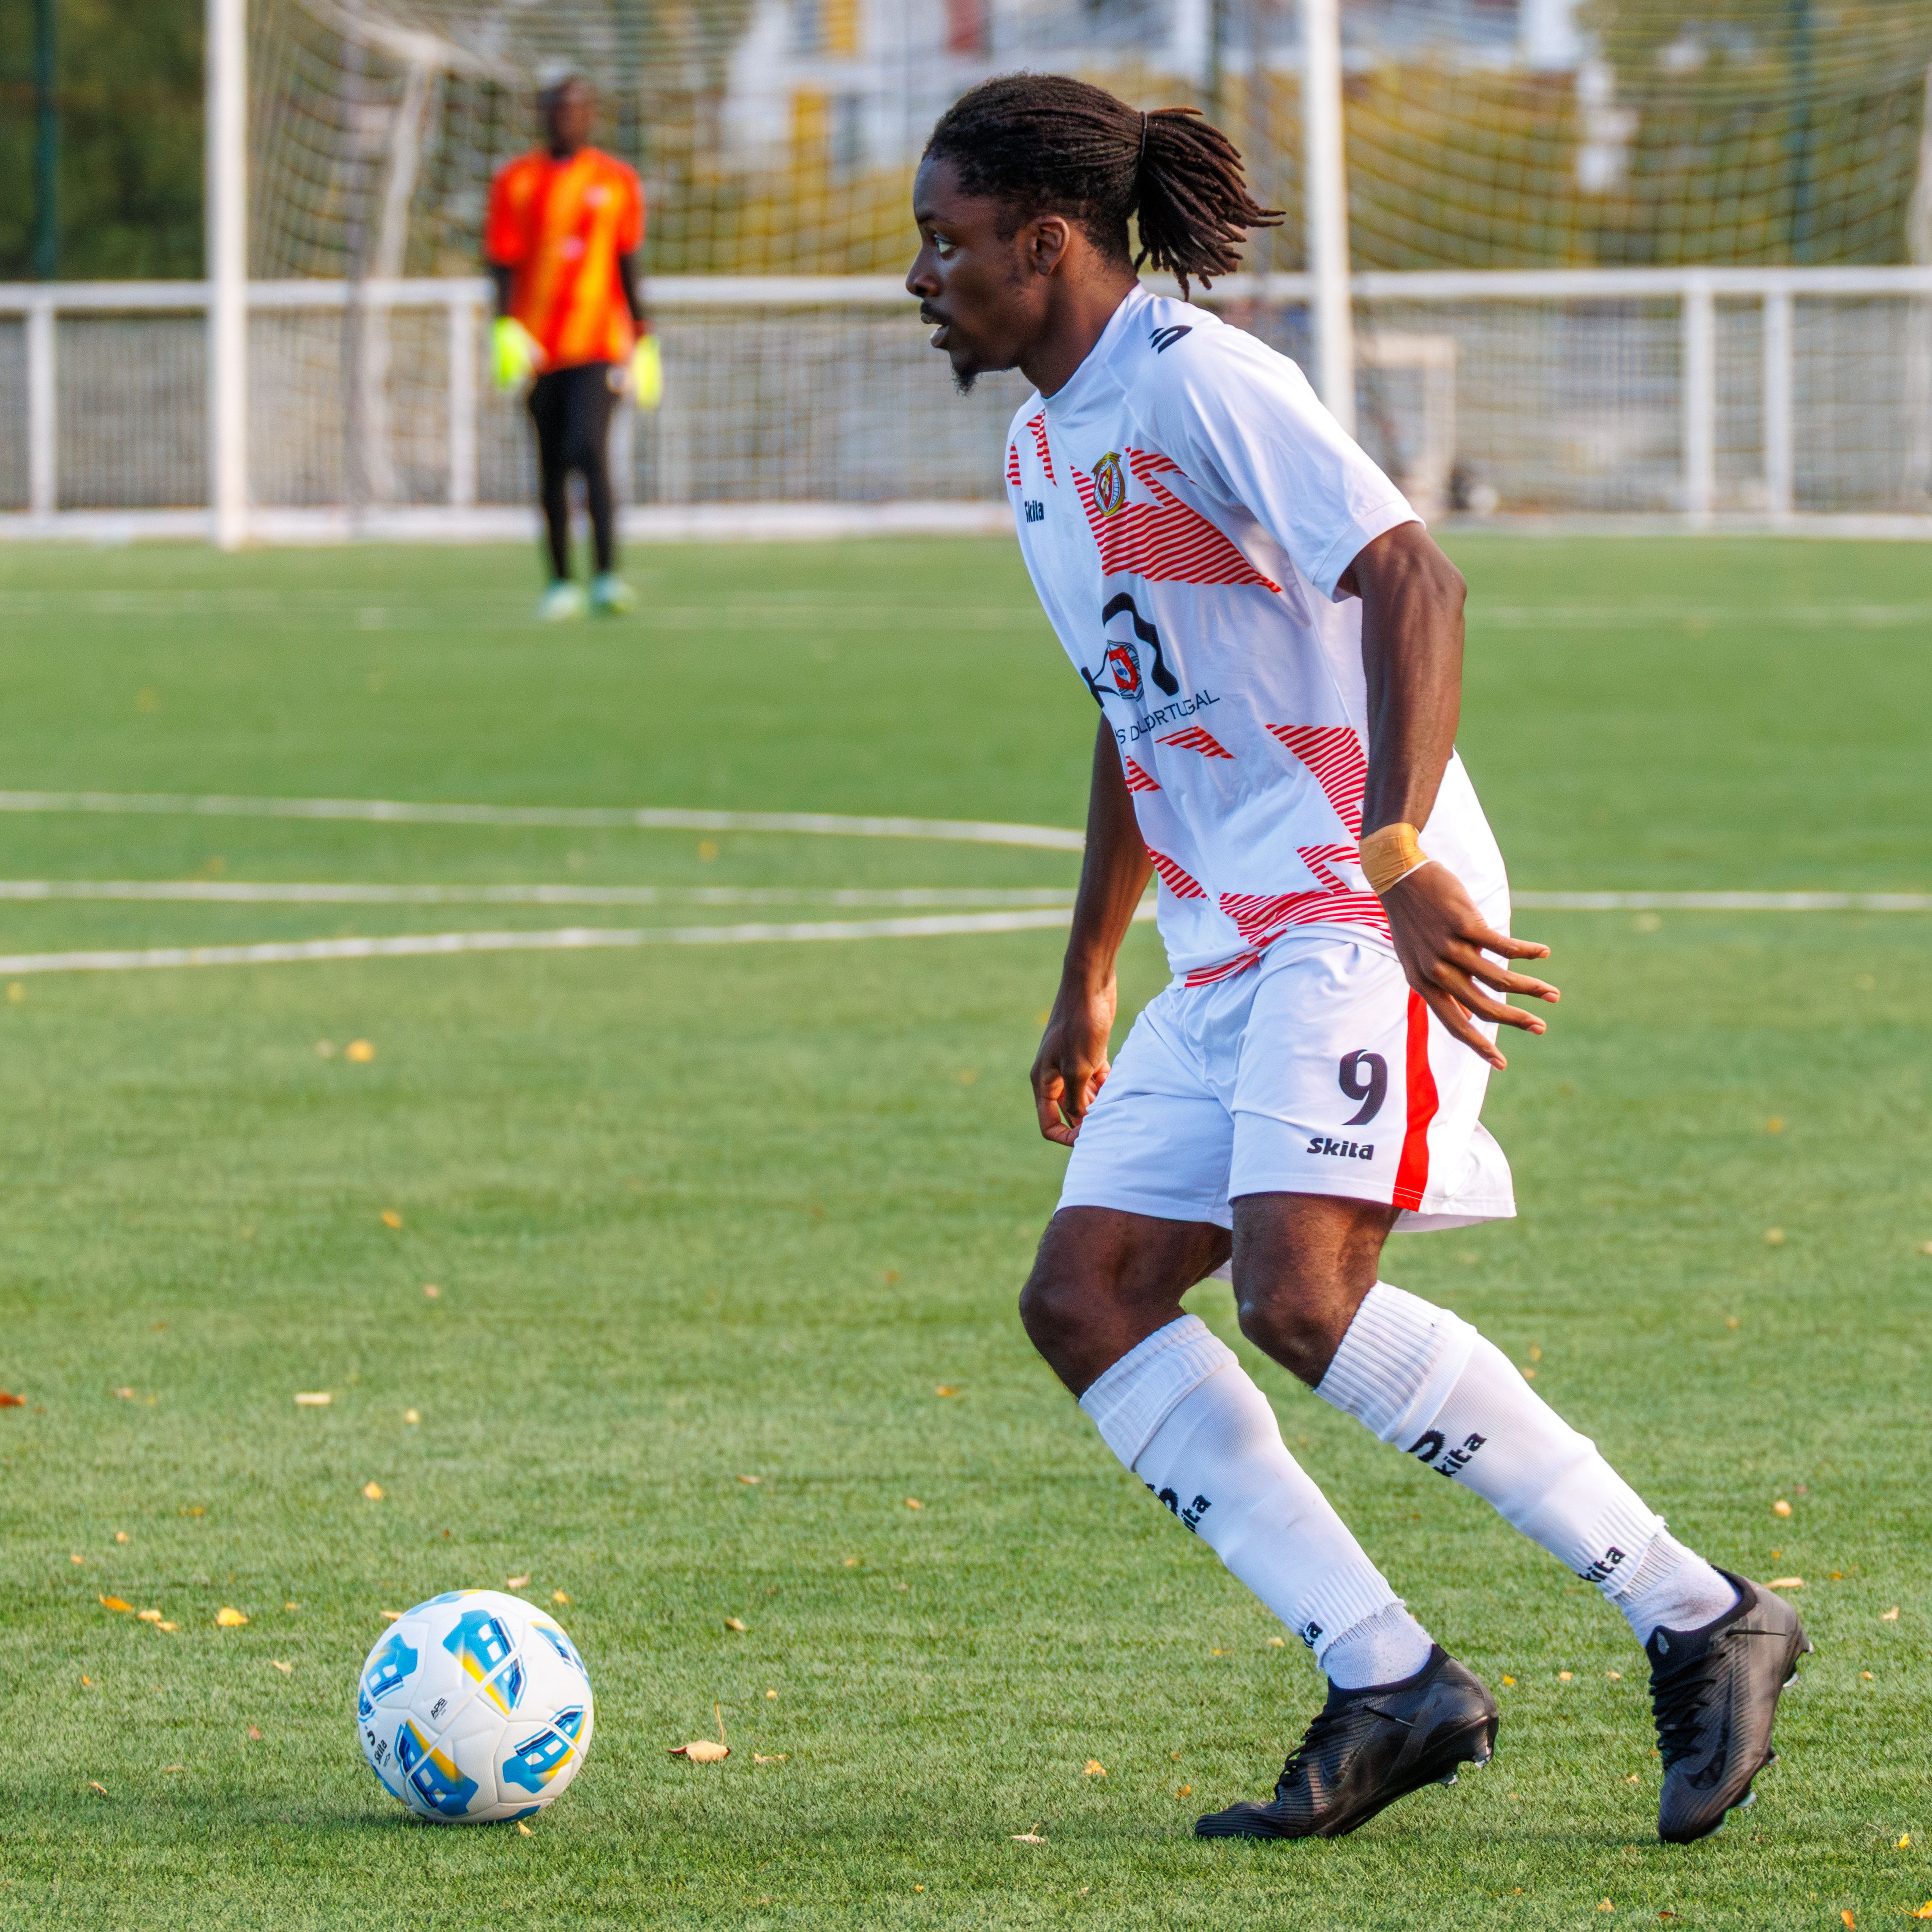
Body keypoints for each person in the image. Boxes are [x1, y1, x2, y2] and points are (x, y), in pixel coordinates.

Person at [907, 73, 1808, 1847]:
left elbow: (1416, 583)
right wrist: (1089, 968)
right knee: (1085, 1300)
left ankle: (1701, 1614)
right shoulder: (1041, 448)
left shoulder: (1204, 382)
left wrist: (1395, 853)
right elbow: (1130, 695)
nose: (920, 278)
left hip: (1357, 904)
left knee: (1298, 1294)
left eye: (945, 245)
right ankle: (1391, 1680)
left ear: (1048, 240)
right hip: (1230, 937)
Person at [484, 73, 662, 621]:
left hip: (598, 343)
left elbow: (626, 261)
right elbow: (501, 263)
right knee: (550, 463)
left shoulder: (615, 181)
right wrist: (503, 328)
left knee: (588, 447)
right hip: (538, 347)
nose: (568, 116)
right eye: (559, 108)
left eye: (578, 108)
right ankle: (560, 582)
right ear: (542, 114)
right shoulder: (516, 182)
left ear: (591, 116)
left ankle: (607, 575)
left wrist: (642, 333)